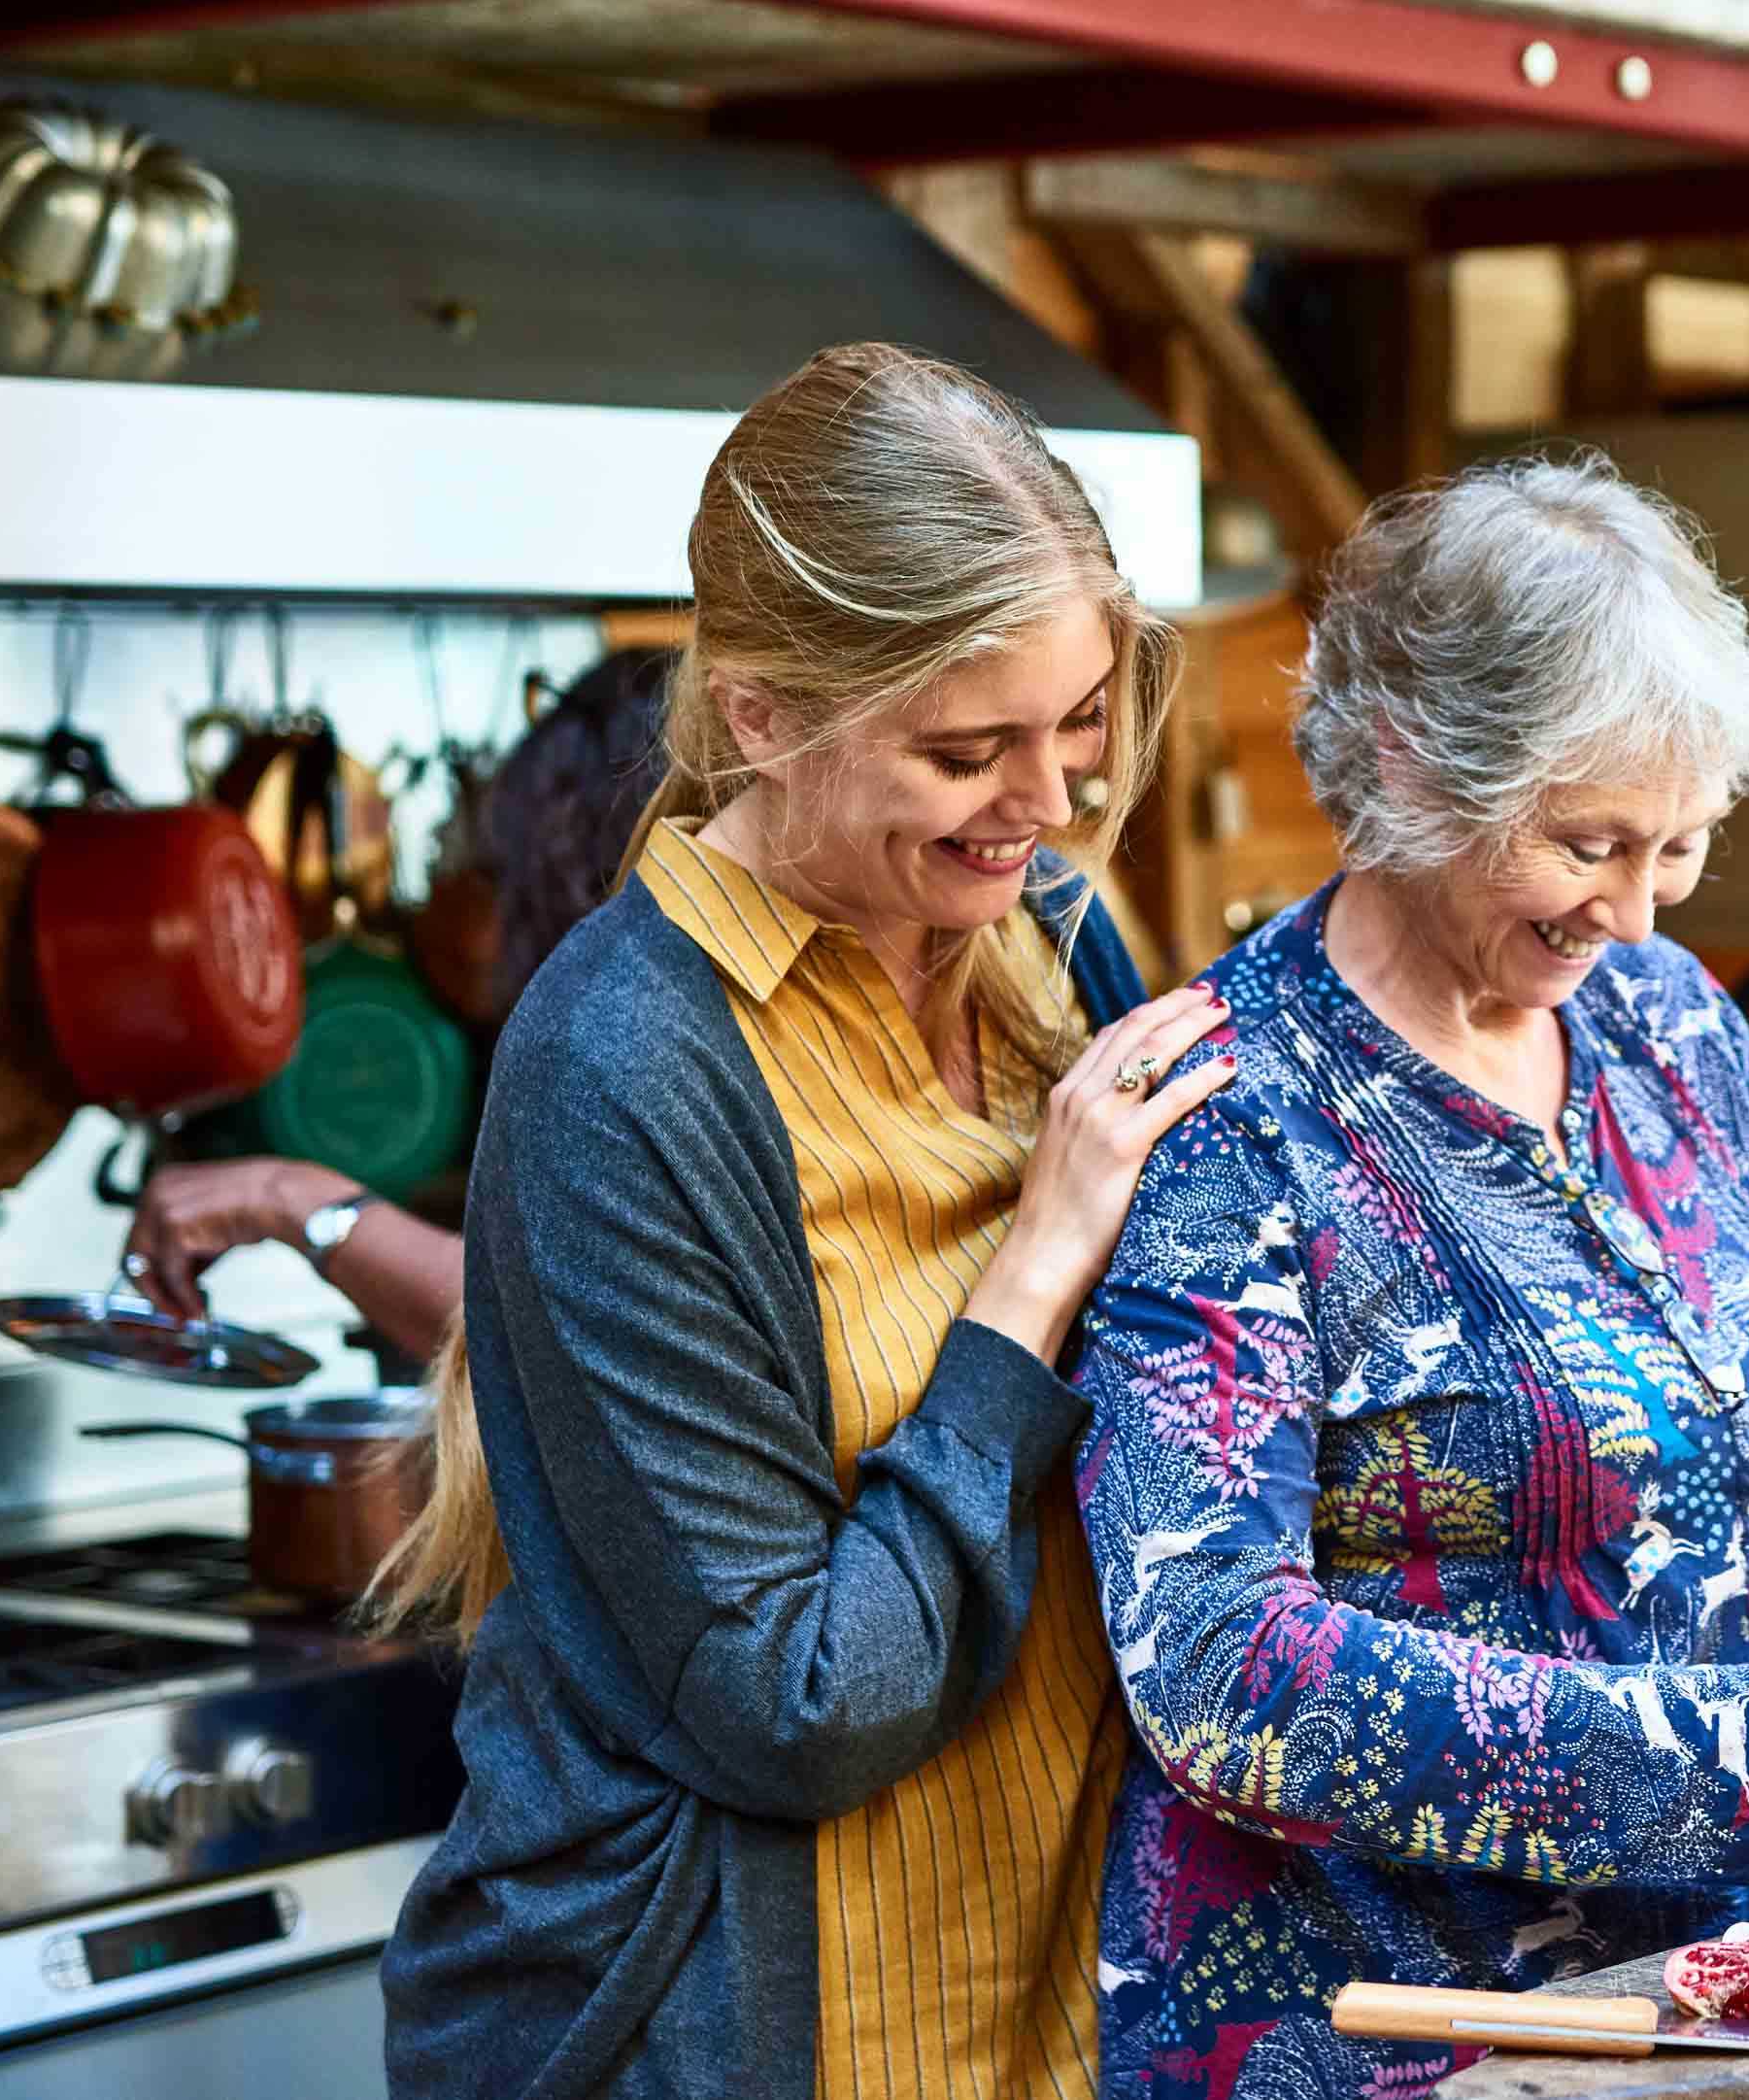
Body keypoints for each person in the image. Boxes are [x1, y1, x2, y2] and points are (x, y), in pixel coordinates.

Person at [1074, 457, 1749, 2099]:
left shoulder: (1677, 1029)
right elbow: (1219, 1668)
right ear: (1414, 766)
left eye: (1683, 845)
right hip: (1393, 2043)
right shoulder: (1231, 1114)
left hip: (1737, 2022)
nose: (1636, 911)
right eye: (1588, 843)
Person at [377, 344, 1227, 2100]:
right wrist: (1031, 1281)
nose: (1054, 801)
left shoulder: (1059, 946)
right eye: (967, 748)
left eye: (1077, 724)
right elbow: (798, 1702)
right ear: (761, 712)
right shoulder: (626, 1063)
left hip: (1064, 2020)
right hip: (734, 2033)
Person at [118, 649, 675, 1363]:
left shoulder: (670, 1033)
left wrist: (281, 1193)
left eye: (498, 860)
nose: (463, 862)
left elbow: (558, 1334)